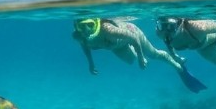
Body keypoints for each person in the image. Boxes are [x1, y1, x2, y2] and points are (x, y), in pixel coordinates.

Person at [72, 18, 206, 92]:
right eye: (81, 26)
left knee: (153, 54)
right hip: (116, 46)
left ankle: (179, 67)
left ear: (95, 23)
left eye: (89, 25)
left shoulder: (108, 30)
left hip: (131, 34)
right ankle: (136, 53)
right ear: (76, 26)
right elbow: (85, 47)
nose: (86, 30)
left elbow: (133, 39)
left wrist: (142, 58)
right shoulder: (79, 36)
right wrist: (91, 63)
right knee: (131, 60)